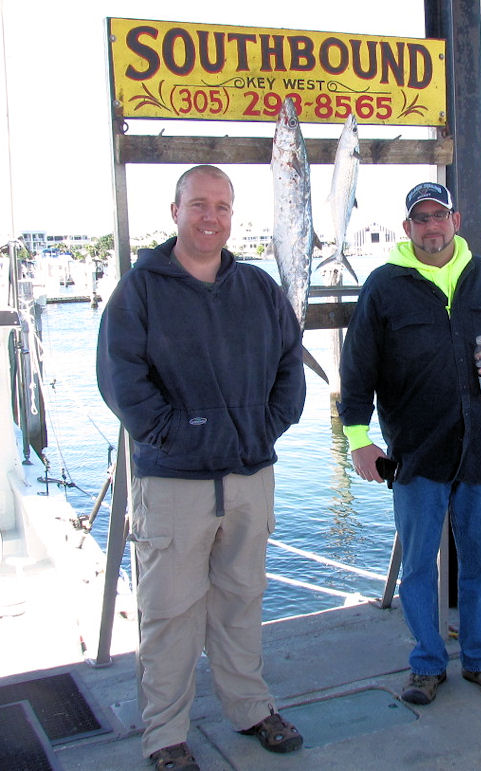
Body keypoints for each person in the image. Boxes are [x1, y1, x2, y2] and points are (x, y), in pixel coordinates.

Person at [97, 165, 306, 770]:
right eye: (198, 205)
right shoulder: (139, 290)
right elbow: (121, 379)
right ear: (175, 211)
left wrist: (269, 423)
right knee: (169, 613)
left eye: (221, 206)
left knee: (243, 600)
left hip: (248, 476)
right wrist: (174, 435)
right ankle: (165, 736)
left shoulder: (260, 290)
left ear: (232, 216)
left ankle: (250, 708)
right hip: (172, 484)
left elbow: (291, 361)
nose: (209, 217)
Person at [337, 182, 481, 707]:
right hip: (417, 452)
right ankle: (426, 664)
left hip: (480, 451)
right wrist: (359, 439)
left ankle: (480, 659)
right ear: (407, 228)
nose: (431, 226)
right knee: (418, 563)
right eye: (420, 218)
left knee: (479, 562)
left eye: (439, 215)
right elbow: (357, 368)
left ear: (456, 219)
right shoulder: (384, 285)